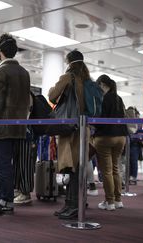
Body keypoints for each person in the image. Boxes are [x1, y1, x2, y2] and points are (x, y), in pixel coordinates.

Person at [0, 33, 31, 212]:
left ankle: (5, 200)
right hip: (19, 128)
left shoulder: (0, 71)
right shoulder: (24, 73)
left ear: (0, 51)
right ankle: (8, 198)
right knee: (11, 165)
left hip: (2, 128)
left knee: (2, 165)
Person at [48, 50, 88, 219]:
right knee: (78, 167)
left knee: (71, 168)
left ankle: (72, 206)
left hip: (69, 128)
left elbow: (52, 96)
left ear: (69, 62)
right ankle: (73, 205)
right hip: (83, 128)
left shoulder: (68, 78)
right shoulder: (87, 80)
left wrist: (52, 88)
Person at [93, 75, 128, 211]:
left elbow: (101, 118)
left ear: (102, 84)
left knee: (106, 171)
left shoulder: (103, 98)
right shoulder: (119, 98)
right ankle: (118, 200)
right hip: (121, 137)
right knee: (115, 169)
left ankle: (110, 202)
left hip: (105, 137)